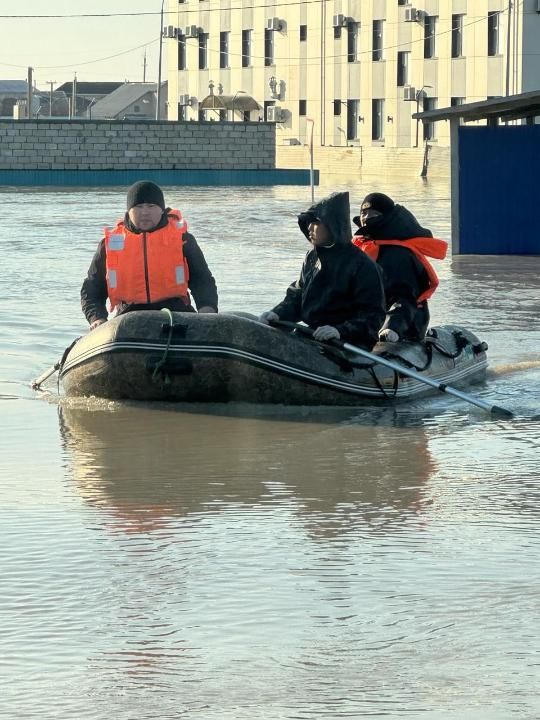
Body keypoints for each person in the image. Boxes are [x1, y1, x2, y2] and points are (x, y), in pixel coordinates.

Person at [81, 181, 218, 329]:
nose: (145, 212)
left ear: (161, 210)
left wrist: (207, 308)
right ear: (129, 211)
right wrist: (97, 317)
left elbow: (202, 280)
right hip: (128, 316)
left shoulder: (182, 239)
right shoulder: (109, 244)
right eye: (138, 207)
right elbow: (92, 288)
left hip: (176, 312)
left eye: (151, 206)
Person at [259, 191, 385, 349]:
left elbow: (372, 316)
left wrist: (339, 331)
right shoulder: (312, 257)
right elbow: (297, 296)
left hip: (348, 342)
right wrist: (278, 313)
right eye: (309, 221)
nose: (310, 227)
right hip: (311, 333)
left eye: (316, 222)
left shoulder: (363, 266)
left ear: (333, 225)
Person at [352, 192, 448, 343]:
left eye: (374, 213)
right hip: (367, 323)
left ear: (388, 218)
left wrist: (393, 327)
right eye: (364, 213)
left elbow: (405, 297)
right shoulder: (360, 250)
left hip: (403, 328)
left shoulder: (400, 255)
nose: (367, 218)